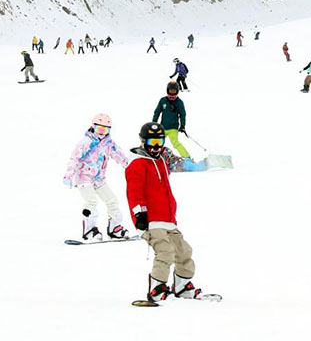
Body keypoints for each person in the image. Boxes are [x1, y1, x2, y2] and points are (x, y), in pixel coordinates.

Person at [126, 122, 206, 302]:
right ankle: (157, 288)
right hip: (150, 220)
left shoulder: (161, 160)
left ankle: (182, 286)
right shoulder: (137, 164)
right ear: (143, 142)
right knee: (165, 252)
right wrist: (140, 215)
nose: (156, 147)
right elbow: (134, 193)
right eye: (152, 142)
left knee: (183, 251)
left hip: (167, 219)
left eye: (159, 142)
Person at [63, 113, 131, 241]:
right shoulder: (86, 142)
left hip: (99, 179)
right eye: (99, 129)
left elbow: (119, 155)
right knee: (91, 202)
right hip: (84, 177)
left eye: (105, 130)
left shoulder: (108, 143)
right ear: (93, 127)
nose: (102, 133)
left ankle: (114, 228)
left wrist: (129, 167)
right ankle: (89, 230)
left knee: (112, 200)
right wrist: (69, 175)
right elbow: (74, 158)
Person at [152, 82, 195, 169]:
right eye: (170, 91)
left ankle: (187, 158)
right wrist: (154, 123)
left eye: (174, 91)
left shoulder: (179, 102)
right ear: (167, 91)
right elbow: (157, 112)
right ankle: (153, 158)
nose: (172, 93)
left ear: (177, 91)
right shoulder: (163, 101)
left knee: (175, 143)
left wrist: (182, 126)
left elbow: (183, 114)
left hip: (173, 128)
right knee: (157, 142)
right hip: (162, 127)